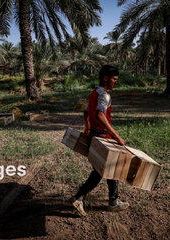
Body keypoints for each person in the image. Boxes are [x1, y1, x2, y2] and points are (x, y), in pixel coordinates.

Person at [70, 65, 129, 216]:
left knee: (110, 168)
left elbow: (86, 112)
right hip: (103, 137)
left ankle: (113, 201)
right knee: (100, 171)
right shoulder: (104, 95)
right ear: (105, 78)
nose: (116, 82)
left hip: (94, 136)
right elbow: (100, 115)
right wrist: (116, 136)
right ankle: (78, 197)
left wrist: (87, 128)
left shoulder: (93, 93)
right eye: (114, 79)